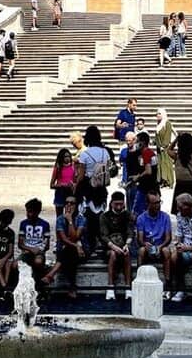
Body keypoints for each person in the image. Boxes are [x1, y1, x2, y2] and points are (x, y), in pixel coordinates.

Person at [74, 125, 112, 254]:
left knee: (88, 217)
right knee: (100, 215)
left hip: (88, 187)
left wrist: (75, 188)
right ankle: (101, 240)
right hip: (101, 188)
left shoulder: (85, 154)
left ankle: (90, 243)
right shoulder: (104, 152)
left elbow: (81, 175)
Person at [136, 190, 175, 293]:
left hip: (161, 246)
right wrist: (145, 243)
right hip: (148, 246)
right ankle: (139, 279)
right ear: (148, 204)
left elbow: (168, 238)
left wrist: (160, 246)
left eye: (159, 202)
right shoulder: (141, 218)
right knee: (141, 251)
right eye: (155, 203)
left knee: (166, 251)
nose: (158, 205)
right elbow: (139, 239)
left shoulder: (165, 217)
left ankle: (168, 282)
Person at [48, 196, 86, 298]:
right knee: (70, 252)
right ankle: (72, 288)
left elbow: (75, 237)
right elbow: (63, 239)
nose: (68, 205)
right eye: (67, 202)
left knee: (70, 251)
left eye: (72, 203)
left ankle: (51, 274)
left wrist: (69, 221)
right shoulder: (60, 219)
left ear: (77, 205)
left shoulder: (82, 219)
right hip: (69, 250)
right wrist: (76, 246)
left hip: (80, 251)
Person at [101, 189, 134, 300]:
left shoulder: (128, 215)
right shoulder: (104, 217)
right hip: (110, 248)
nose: (119, 207)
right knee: (113, 255)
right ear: (111, 203)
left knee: (127, 254)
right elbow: (104, 236)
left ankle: (128, 287)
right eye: (116, 204)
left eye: (121, 204)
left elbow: (130, 232)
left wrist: (127, 245)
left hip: (123, 246)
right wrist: (114, 247)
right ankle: (110, 287)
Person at [17, 198, 52, 289]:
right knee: (14, 265)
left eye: (31, 212)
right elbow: (20, 244)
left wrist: (39, 251)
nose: (28, 214)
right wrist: (30, 249)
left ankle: (39, 284)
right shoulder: (23, 223)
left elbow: (47, 245)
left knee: (38, 262)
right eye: (27, 211)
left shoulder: (45, 224)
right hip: (27, 252)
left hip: (39, 253)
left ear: (38, 212)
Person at [169, 131, 192, 212]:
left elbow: (168, 150)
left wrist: (176, 140)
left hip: (180, 186)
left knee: (180, 211)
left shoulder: (177, 156)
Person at [155, 108, 177, 189]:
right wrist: (157, 144)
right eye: (157, 114)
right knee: (160, 165)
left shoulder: (167, 123)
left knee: (167, 164)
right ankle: (162, 181)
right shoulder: (159, 124)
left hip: (166, 148)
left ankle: (169, 181)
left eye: (159, 114)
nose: (157, 115)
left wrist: (164, 146)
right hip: (159, 148)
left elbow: (168, 136)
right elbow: (157, 136)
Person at [50, 146, 77, 212]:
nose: (67, 158)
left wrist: (73, 184)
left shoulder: (73, 167)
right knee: (59, 215)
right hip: (60, 193)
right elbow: (52, 185)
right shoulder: (58, 168)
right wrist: (62, 185)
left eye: (68, 156)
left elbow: (76, 180)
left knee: (69, 214)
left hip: (70, 193)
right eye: (65, 157)